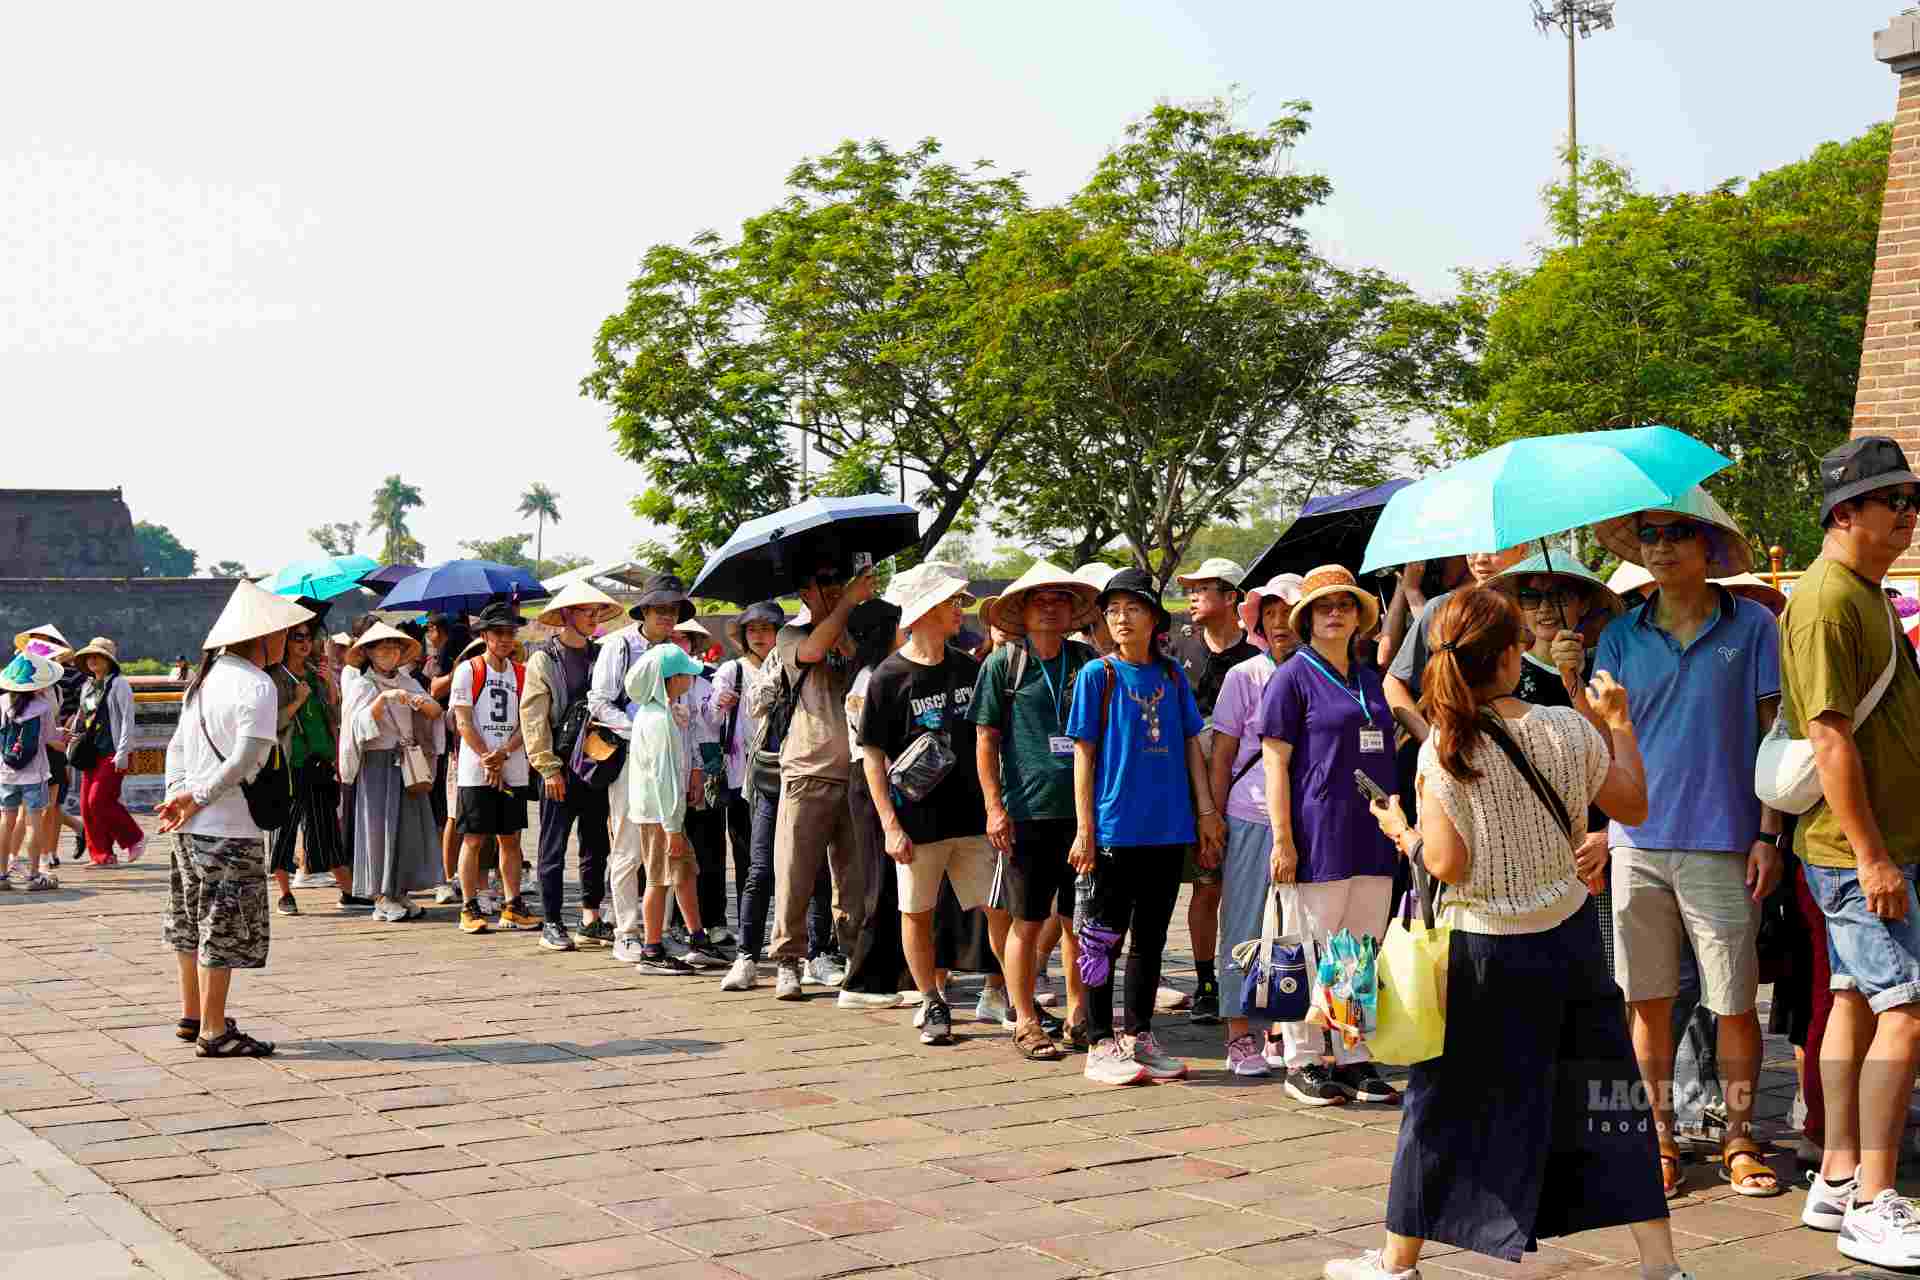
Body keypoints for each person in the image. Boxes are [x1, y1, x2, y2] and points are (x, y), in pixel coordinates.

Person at [1335, 587, 1683, 1280]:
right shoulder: (1566, 727)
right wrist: (1618, 722)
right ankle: (1662, 1266)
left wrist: (1401, 829)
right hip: (1570, 940)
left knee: (1441, 1106)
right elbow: (1634, 805)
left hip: (1483, 952)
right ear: (1514, 654)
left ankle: (1397, 1263)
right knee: (1608, 1097)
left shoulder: (1443, 748)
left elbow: (1446, 864)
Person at [1585, 486, 1784, 1200]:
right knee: (1648, 1002)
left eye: (1675, 533)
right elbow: (1602, 741)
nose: (1660, 546)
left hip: (1726, 838)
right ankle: (1659, 1139)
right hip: (1637, 840)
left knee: (1733, 1002)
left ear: (1708, 547)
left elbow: (1775, 736)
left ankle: (1737, 1136)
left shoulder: (1755, 626)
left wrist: (1771, 832)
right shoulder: (1617, 635)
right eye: (1648, 534)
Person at [1778, 437, 1920, 1265]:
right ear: (1845, 512)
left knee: (1859, 1002)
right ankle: (1876, 1196)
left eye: (1913, 501)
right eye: (1892, 500)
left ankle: (1837, 1177)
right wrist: (1872, 857)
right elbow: (1828, 737)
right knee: (1906, 1006)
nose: (1907, 515)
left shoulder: (1865, 591)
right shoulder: (1832, 599)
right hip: (1866, 850)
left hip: (1873, 844)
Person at [1068, 567, 1224, 1085]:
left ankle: (1138, 1035)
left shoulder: (1173, 676)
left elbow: (1189, 747)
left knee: (1152, 938)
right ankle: (1097, 1042)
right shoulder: (1098, 675)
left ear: (1154, 618)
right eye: (1112, 610)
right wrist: (1085, 827)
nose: (1120, 618)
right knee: (1100, 939)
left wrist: (1205, 813)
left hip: (1168, 827)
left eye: (1132, 608)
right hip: (1115, 829)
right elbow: (1083, 755)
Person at [1259, 565, 1401, 1107]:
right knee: (1311, 944)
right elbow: (1276, 762)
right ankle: (1301, 1058)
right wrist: (1282, 839)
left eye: (1344, 605)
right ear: (1308, 619)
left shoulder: (1369, 678)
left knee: (1359, 947)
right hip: (1317, 831)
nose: (1336, 613)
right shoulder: (1292, 676)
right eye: (1324, 607)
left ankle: (1352, 1053)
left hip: (1373, 830)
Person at [157, 582, 316, 1059]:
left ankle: (192, 1014)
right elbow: (250, 757)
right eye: (285, 636)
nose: (288, 644)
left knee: (190, 922)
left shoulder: (203, 680)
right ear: (264, 638)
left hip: (188, 826)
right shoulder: (257, 684)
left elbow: (176, 748)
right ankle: (213, 1030)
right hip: (228, 825)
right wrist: (198, 795)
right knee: (221, 926)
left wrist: (178, 796)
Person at [859, 564, 995, 1047]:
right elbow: (873, 757)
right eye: (950, 602)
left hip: (974, 819)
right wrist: (890, 825)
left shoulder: (969, 668)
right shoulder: (888, 677)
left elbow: (989, 738)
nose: (960, 610)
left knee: (995, 908)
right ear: (924, 612)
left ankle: (1012, 995)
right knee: (916, 912)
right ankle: (931, 1000)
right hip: (917, 823)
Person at [971, 561, 1100, 1059]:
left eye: (1059, 599)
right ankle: (1023, 1019)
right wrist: (993, 807)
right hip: (1026, 812)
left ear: (1072, 610)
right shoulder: (1004, 664)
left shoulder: (1087, 662)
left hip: (1082, 813)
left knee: (1076, 919)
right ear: (1021, 612)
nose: (1049, 607)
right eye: (1038, 600)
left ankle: (1076, 1013)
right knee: (1025, 921)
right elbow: (985, 739)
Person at [765, 555, 872, 1000]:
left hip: (855, 771)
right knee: (795, 872)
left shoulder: (853, 631)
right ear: (804, 592)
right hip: (808, 767)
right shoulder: (791, 634)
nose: (832, 588)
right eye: (823, 583)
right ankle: (788, 960)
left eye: (837, 581)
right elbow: (812, 652)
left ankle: (853, 959)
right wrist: (844, 604)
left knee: (854, 878)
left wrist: (847, 609)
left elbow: (856, 659)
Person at [1210, 572, 1304, 1074]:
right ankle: (1238, 1030)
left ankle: (1280, 1026)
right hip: (1249, 816)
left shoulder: (1322, 674)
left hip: (1307, 819)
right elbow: (1223, 752)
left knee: (1294, 928)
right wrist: (1214, 819)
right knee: (1245, 922)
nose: (1278, 622)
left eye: (1286, 611)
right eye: (1269, 613)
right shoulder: (1243, 676)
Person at [1167, 557, 1260, 1026]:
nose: (1192, 597)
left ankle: (1244, 980)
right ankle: (1205, 981)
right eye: (1190, 589)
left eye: (1203, 589)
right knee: (1203, 889)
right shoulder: (1176, 648)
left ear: (1232, 599)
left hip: (1240, 791)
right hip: (1182, 787)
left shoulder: (1255, 659)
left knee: (1233, 889)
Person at [591, 574, 696, 962]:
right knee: (628, 845)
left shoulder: (675, 653)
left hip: (666, 760)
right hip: (629, 757)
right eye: (661, 610)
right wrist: (641, 728)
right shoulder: (620, 646)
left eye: (674, 611)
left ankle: (659, 930)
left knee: (667, 846)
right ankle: (627, 930)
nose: (668, 617)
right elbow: (599, 702)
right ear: (645, 611)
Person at [522, 582, 624, 953]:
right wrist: (547, 767)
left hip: (596, 763)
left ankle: (590, 917)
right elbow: (533, 717)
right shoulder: (544, 659)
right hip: (561, 765)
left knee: (596, 844)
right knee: (552, 845)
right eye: (585, 611)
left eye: (596, 612)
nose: (593, 618)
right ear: (566, 614)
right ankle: (551, 921)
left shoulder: (602, 655)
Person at [624, 642, 724, 974]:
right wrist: (672, 827)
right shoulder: (658, 721)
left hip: (664, 814)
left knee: (682, 874)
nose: (690, 679)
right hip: (661, 816)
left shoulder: (656, 713)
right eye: (684, 674)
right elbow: (663, 777)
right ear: (670, 679)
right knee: (658, 880)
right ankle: (651, 950)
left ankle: (696, 938)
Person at [836, 598, 917, 1009]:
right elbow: (872, 747)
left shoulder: (879, 673)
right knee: (878, 885)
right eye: (902, 625)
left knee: (894, 882)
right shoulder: (870, 679)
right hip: (871, 783)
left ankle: (898, 975)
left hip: (885, 783)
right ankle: (862, 982)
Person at [341, 622, 445, 923]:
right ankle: (381, 896)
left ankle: (400, 891)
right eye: (382, 647)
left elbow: (435, 712)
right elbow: (355, 728)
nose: (390, 653)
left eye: (394, 647)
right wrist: (382, 700)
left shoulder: (408, 680)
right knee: (378, 827)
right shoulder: (363, 685)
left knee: (408, 828)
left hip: (407, 762)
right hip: (377, 764)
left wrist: (420, 701)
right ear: (369, 653)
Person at [449, 604, 537, 934]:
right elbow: (463, 721)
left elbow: (527, 722)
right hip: (476, 768)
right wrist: (488, 756)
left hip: (512, 764)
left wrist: (504, 753)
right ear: (484, 635)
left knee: (510, 838)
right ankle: (469, 906)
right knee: (472, 838)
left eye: (510, 632)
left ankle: (512, 904)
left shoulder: (522, 673)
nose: (504, 638)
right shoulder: (469, 671)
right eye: (498, 632)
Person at [712, 601, 785, 976]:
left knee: (783, 860)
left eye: (766, 629)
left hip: (783, 772)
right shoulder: (732, 670)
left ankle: (780, 926)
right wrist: (720, 704)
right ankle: (748, 932)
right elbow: (710, 713)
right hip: (743, 777)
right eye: (752, 630)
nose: (758, 636)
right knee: (748, 860)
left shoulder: (789, 664)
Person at [268, 619, 360, 914]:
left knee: (326, 828)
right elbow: (273, 722)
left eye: (308, 637)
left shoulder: (313, 674)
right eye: (296, 637)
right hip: (291, 762)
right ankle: (284, 892)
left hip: (319, 762)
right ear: (284, 641)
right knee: (286, 828)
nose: (304, 643)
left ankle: (348, 891)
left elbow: (333, 716)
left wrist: (330, 685)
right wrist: (297, 701)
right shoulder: (275, 678)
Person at [666, 619, 733, 951]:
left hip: (708, 764)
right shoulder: (661, 680)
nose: (680, 645)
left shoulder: (708, 677)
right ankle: (681, 921)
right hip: (674, 770)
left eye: (684, 639)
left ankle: (716, 918)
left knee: (711, 846)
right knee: (681, 848)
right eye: (673, 639)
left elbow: (712, 723)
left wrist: (720, 707)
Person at [68, 637, 143, 867]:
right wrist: (72, 733)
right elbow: (83, 716)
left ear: (109, 660)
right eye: (89, 656)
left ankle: (134, 838)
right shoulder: (88, 686)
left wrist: (123, 752)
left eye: (97, 656)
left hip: (112, 750)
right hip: (92, 752)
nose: (92, 660)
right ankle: (102, 855)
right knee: (86, 806)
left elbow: (128, 720)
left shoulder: (119, 684)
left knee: (99, 800)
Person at [15, 625, 83, 871]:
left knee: (47, 808)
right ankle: (17, 859)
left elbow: (68, 712)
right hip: (27, 748)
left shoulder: (61, 679)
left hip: (52, 748)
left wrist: (61, 733)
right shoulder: (19, 675)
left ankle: (46, 854)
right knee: (22, 811)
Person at [0, 651, 65, 892]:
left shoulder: (2, 702)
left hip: (6, 772)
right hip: (35, 773)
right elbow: (50, 738)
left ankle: (2, 875)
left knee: (5, 821)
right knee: (32, 821)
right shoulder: (42, 706)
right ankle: (35, 875)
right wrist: (63, 736)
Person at [422, 614, 469, 906]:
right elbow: (434, 690)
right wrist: (458, 672)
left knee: (462, 817)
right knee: (450, 814)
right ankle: (447, 876)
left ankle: (466, 877)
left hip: (460, 744)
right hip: (449, 744)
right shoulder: (442, 659)